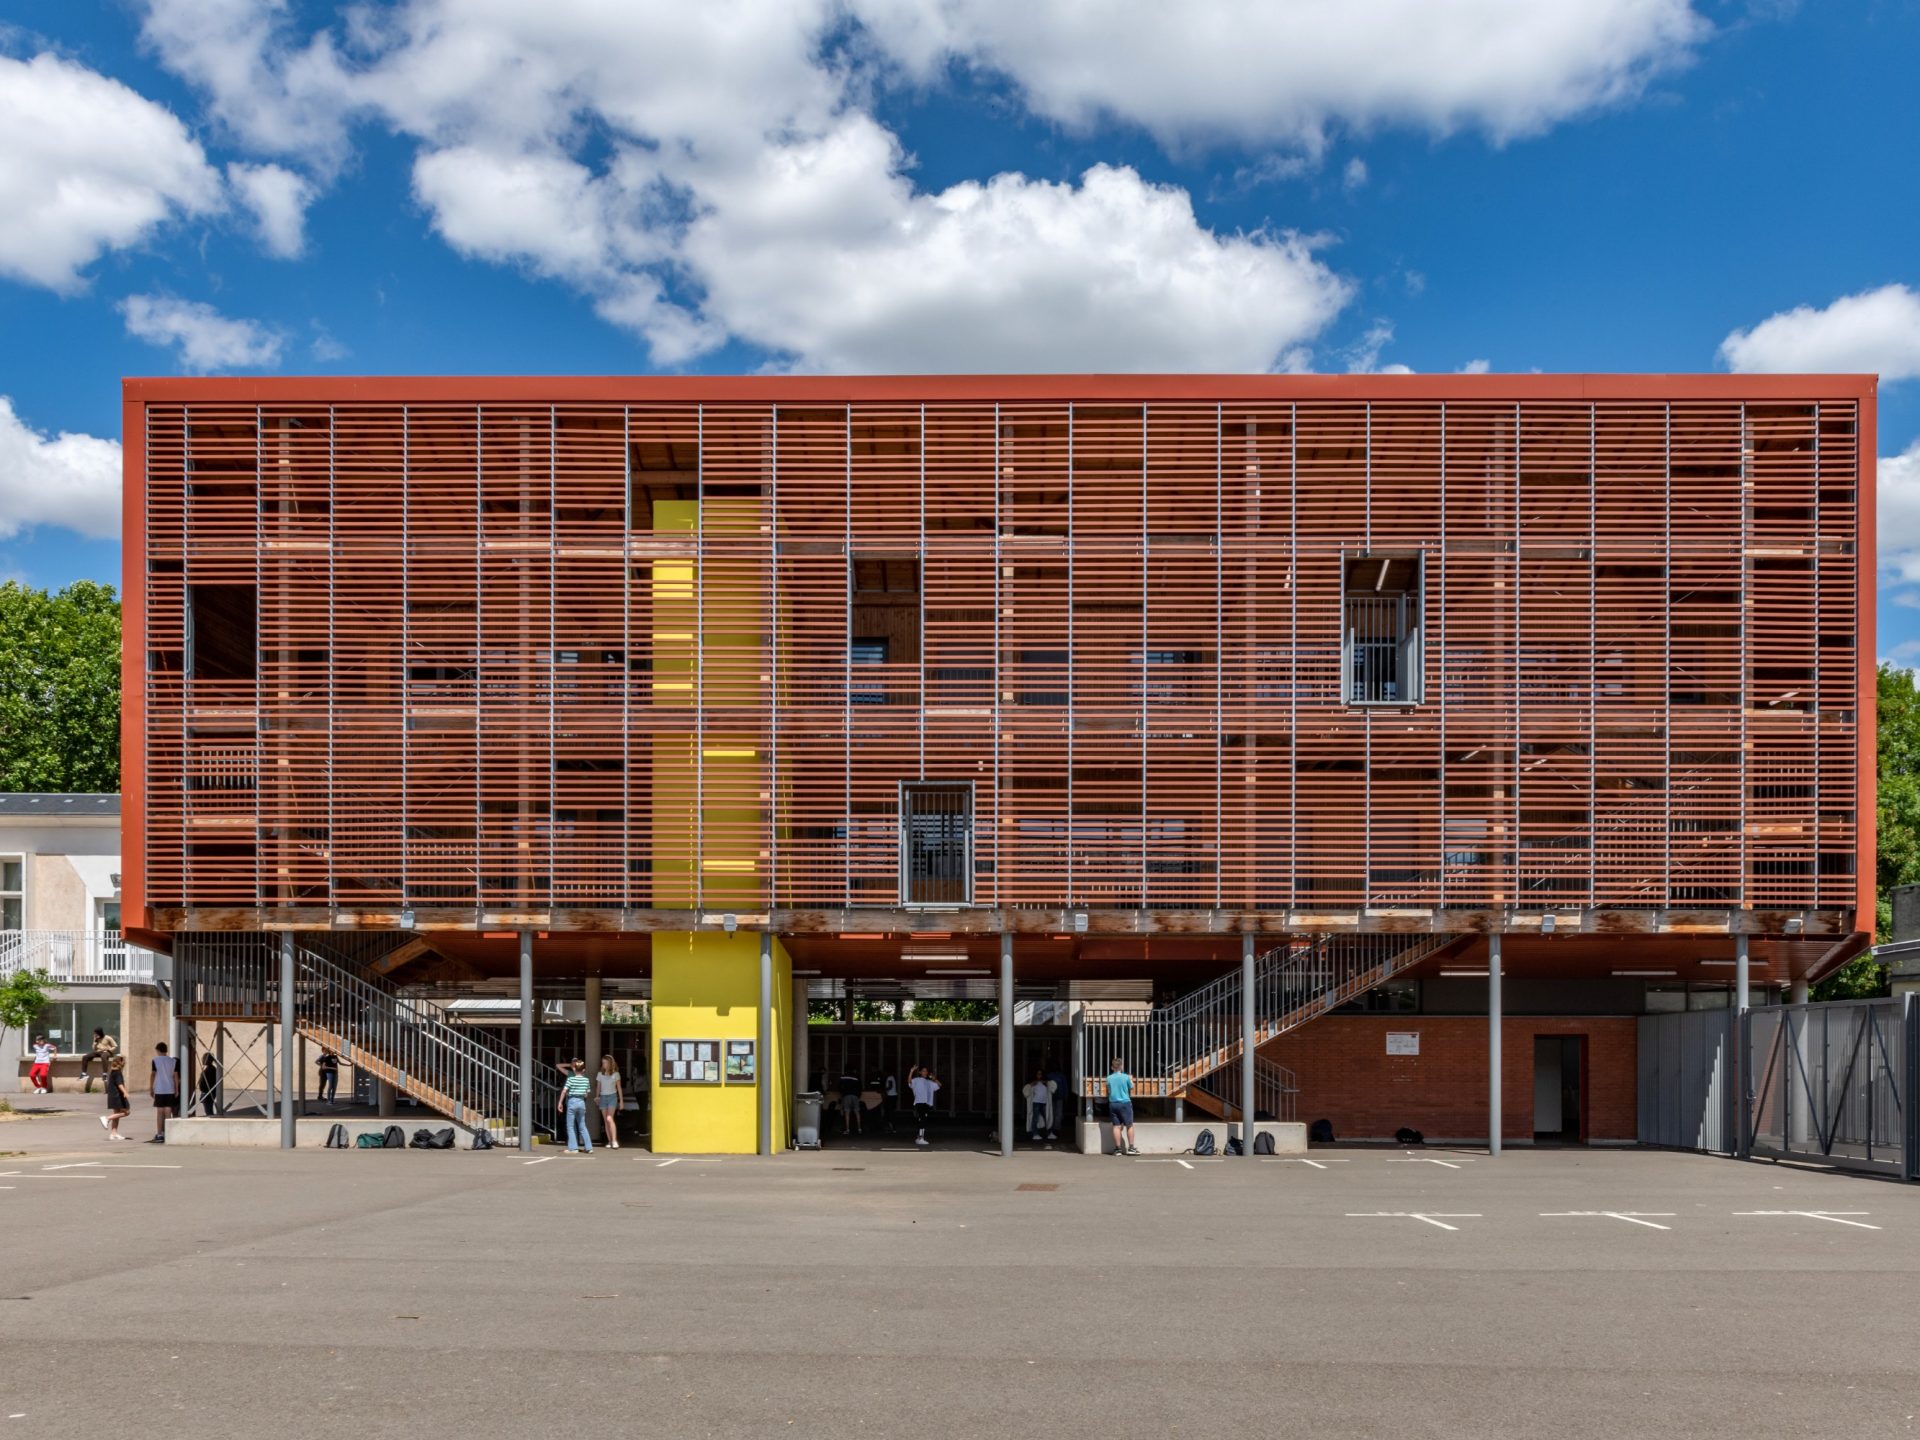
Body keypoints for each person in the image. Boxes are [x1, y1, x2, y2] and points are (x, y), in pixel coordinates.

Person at [558, 1058, 594, 1154]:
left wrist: (560, 1103)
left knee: (570, 1126)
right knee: (582, 1125)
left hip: (571, 1101)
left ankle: (573, 1148)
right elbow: (587, 1094)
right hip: (581, 1102)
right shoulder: (586, 1080)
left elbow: (564, 1091)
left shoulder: (570, 1079)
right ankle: (589, 1147)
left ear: (574, 1069)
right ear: (583, 1070)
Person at [1106, 1056, 1138, 1156]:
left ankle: (1117, 1149)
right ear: (1122, 1066)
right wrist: (1131, 1079)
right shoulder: (1126, 1077)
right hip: (1125, 1103)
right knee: (1129, 1125)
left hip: (1113, 1103)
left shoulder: (1109, 1078)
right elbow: (1131, 1087)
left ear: (1112, 1067)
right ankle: (1131, 1148)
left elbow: (1109, 1090)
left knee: (1116, 1126)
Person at [150, 1042, 179, 1144]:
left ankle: (159, 1134)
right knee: (168, 1111)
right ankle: (168, 1132)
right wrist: (176, 1089)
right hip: (170, 1088)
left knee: (160, 1112)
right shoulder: (173, 1061)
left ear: (158, 1050)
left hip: (159, 1088)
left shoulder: (155, 1060)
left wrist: (151, 1088)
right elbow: (175, 1076)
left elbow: (153, 1074)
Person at [595, 1054, 623, 1149]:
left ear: (610, 1063)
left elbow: (619, 1088)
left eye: (605, 1062)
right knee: (605, 1121)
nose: (604, 1064)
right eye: (603, 1063)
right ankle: (610, 1141)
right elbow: (598, 1086)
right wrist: (597, 1096)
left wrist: (621, 1101)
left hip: (612, 1097)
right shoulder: (600, 1074)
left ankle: (614, 1140)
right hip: (603, 1097)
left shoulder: (616, 1074)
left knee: (609, 1118)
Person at [908, 1064, 940, 1148]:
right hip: (919, 1102)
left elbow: (939, 1085)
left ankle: (919, 1138)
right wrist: (911, 1071)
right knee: (922, 1119)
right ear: (920, 1072)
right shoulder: (917, 1080)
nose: (925, 1072)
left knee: (923, 1120)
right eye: (923, 1071)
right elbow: (909, 1082)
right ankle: (920, 1138)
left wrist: (934, 1078)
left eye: (926, 1071)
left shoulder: (929, 1082)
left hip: (927, 1103)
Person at [100, 1055, 131, 1141]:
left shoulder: (113, 1071)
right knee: (127, 1112)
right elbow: (119, 1084)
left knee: (116, 1115)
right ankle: (106, 1118)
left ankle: (114, 1134)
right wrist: (125, 1092)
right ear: (121, 1063)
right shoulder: (118, 1072)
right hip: (118, 1096)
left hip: (113, 1096)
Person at [1023, 1069, 1055, 1143]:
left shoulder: (1046, 1083)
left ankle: (1049, 1133)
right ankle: (1035, 1134)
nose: (1039, 1076)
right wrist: (1032, 1084)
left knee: (1047, 1117)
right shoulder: (1033, 1083)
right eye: (1038, 1074)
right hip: (1036, 1102)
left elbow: (1053, 1088)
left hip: (1044, 1103)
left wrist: (1046, 1082)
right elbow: (1025, 1092)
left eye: (1040, 1074)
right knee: (1035, 1118)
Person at [81, 1027, 114, 1093]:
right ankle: (83, 1074)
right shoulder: (96, 1038)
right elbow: (93, 1048)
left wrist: (108, 1050)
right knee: (85, 1057)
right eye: (95, 1034)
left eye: (96, 1034)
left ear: (100, 1033)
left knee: (104, 1056)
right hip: (98, 1051)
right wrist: (95, 1041)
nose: (95, 1035)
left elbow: (115, 1046)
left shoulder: (107, 1038)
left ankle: (105, 1074)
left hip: (107, 1052)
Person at [837, 1068, 863, 1136]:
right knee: (857, 1112)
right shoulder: (856, 1077)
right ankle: (859, 1129)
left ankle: (847, 1130)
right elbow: (860, 1087)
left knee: (847, 1113)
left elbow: (839, 1087)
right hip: (855, 1096)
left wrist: (843, 1093)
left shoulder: (843, 1077)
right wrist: (858, 1095)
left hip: (847, 1095)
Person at [197, 1052, 222, 1116]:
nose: (202, 1060)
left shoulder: (211, 1069)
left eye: (204, 1058)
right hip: (207, 1092)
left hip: (208, 1092)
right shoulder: (210, 1069)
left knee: (208, 1110)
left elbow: (209, 1082)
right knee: (208, 1109)